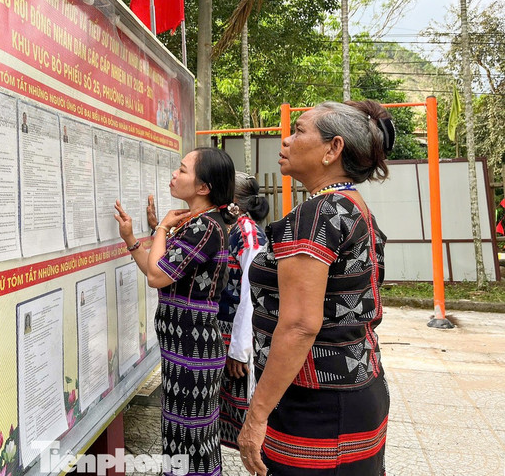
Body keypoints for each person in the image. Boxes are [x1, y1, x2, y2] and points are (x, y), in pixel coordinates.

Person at [238, 100, 395, 476]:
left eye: (300, 130)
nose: (287, 141)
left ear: (333, 148)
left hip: (317, 404)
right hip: (356, 388)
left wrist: (256, 416)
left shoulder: (316, 215)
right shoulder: (352, 206)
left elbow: (299, 325)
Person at [114, 147, 236, 476]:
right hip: (182, 348)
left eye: (182, 170)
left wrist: (162, 229)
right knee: (179, 437)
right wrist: (130, 239)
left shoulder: (205, 228)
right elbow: (160, 272)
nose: (174, 175)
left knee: (193, 441)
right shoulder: (193, 223)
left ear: (203, 187)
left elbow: (156, 276)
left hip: (194, 351)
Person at [218, 172, 269, 449]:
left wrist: (239, 350)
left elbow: (252, 295)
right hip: (223, 334)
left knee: (246, 432)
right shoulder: (231, 228)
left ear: (234, 200)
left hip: (235, 339)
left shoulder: (248, 235)